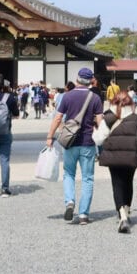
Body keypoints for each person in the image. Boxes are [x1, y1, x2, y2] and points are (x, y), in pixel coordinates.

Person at [46, 67, 104, 225]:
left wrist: (50, 136)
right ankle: (84, 214)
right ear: (91, 80)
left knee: (69, 174)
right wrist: (105, 139)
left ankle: (70, 201)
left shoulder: (67, 96)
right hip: (88, 142)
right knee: (87, 178)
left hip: (69, 142)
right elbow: (100, 122)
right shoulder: (95, 98)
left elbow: (58, 118)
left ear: (77, 79)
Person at [93, 91, 137, 233]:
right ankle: (127, 210)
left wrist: (95, 130)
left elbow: (98, 139)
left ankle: (122, 216)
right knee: (128, 183)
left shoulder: (108, 118)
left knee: (117, 185)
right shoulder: (136, 118)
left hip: (114, 158)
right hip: (130, 157)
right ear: (130, 103)